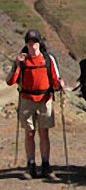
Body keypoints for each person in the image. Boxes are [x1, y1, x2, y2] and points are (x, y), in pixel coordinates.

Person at [7, 29, 64, 180]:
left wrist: (59, 84)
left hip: (44, 99)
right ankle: (31, 164)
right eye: (30, 43)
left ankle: (45, 164)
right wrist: (17, 64)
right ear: (26, 44)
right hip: (27, 100)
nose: (33, 46)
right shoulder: (22, 60)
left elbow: (55, 81)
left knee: (44, 133)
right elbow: (10, 81)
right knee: (29, 133)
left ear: (40, 43)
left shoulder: (47, 59)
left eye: (35, 42)